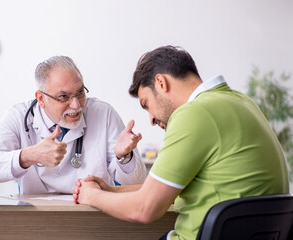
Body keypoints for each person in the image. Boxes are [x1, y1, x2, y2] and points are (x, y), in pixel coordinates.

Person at [72, 46, 289, 240]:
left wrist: (91, 195)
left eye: (147, 104)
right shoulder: (241, 101)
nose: (151, 119)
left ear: (161, 82)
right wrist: (112, 190)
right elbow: (169, 188)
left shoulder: (194, 113)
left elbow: (145, 209)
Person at [0, 56, 147, 194]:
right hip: (37, 217)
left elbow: (137, 184)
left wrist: (125, 157)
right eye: (63, 97)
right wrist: (30, 155)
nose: (76, 105)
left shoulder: (104, 113)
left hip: (93, 215)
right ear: (41, 99)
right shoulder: (18, 116)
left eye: (80, 93)